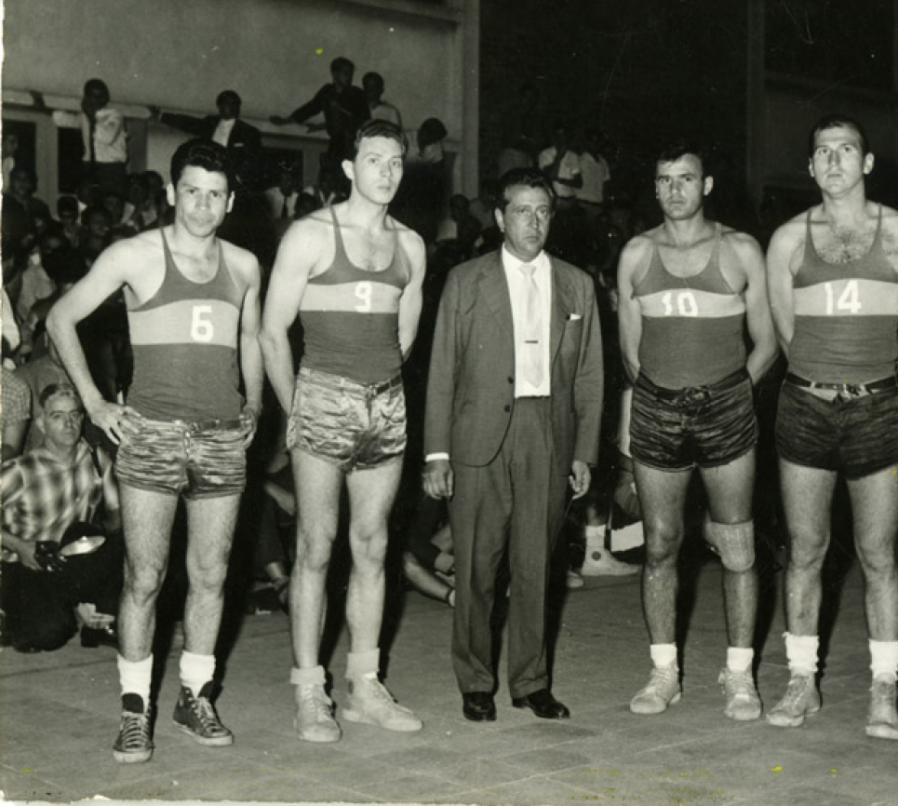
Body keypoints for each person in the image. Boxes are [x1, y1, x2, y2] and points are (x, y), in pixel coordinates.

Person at [47, 138, 264, 764]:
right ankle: (135, 711)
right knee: (143, 576)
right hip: (151, 434)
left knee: (211, 574)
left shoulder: (245, 264)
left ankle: (195, 695)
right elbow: (62, 317)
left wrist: (252, 403)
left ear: (230, 202)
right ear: (171, 192)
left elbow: (249, 335)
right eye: (191, 191)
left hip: (223, 435)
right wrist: (93, 403)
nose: (202, 205)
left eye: (215, 194)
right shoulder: (134, 254)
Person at [259, 119, 427, 743]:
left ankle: (363, 683)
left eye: (396, 162)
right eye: (374, 159)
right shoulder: (310, 235)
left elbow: (403, 338)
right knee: (315, 545)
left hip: (384, 404)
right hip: (321, 399)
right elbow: (272, 332)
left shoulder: (411, 245)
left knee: (374, 545)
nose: (386, 171)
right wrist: (297, 407)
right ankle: (309, 688)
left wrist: (374, 390)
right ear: (350, 169)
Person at [764, 115, 898, 738]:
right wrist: (823, 376)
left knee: (879, 553)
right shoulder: (786, 240)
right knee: (805, 550)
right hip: (804, 404)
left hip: (877, 407)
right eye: (822, 153)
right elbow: (785, 332)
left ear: (868, 162)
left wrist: (869, 379)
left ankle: (884, 691)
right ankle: (801, 682)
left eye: (846, 151)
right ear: (810, 168)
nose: (834, 161)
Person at [422, 167, 603, 723]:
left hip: (545, 433)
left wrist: (584, 452)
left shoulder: (576, 284)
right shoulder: (466, 281)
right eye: (522, 211)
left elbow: (591, 375)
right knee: (476, 565)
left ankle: (531, 680)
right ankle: (476, 681)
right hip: (478, 437)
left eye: (543, 212)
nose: (533, 223)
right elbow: (442, 371)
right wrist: (437, 453)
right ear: (501, 218)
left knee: (536, 567)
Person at [616, 141, 777, 721]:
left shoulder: (739, 249)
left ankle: (739, 675)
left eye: (686, 178)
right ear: (655, 188)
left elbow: (768, 341)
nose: (675, 190)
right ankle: (664, 672)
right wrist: (663, 396)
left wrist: (732, 394)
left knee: (736, 544)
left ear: (707, 185)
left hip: (727, 411)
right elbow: (630, 353)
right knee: (659, 543)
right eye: (665, 180)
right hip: (658, 411)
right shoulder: (636, 253)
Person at [1, 385, 123, 652]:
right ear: (42, 424)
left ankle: (98, 618)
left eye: (74, 415)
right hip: (30, 562)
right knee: (47, 634)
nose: (68, 424)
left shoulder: (95, 459)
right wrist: (19, 546)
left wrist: (106, 584)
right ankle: (15, 615)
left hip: (74, 558)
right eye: (57, 416)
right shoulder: (21, 471)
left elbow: (117, 519)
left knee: (111, 537)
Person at [271, 57, 369, 165]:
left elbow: (363, 120)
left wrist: (339, 109)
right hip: (336, 143)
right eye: (345, 73)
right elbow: (311, 108)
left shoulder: (357, 94)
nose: (349, 77)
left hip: (352, 143)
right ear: (335, 74)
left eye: (351, 74)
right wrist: (287, 120)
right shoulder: (328, 92)